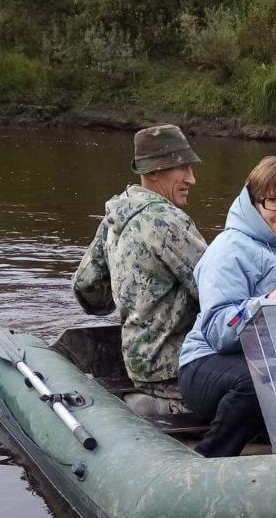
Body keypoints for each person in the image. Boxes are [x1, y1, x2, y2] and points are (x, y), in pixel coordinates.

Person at [178, 155, 276, 458]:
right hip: (208, 361)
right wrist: (270, 304)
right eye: (273, 202)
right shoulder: (228, 248)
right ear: (253, 203)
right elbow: (218, 332)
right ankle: (210, 459)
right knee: (259, 381)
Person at [72, 125, 207, 408]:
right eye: (181, 168)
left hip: (136, 360)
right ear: (154, 171)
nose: (191, 179)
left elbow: (88, 289)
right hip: (174, 368)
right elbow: (216, 289)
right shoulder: (167, 221)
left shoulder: (116, 214)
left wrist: (132, 302)